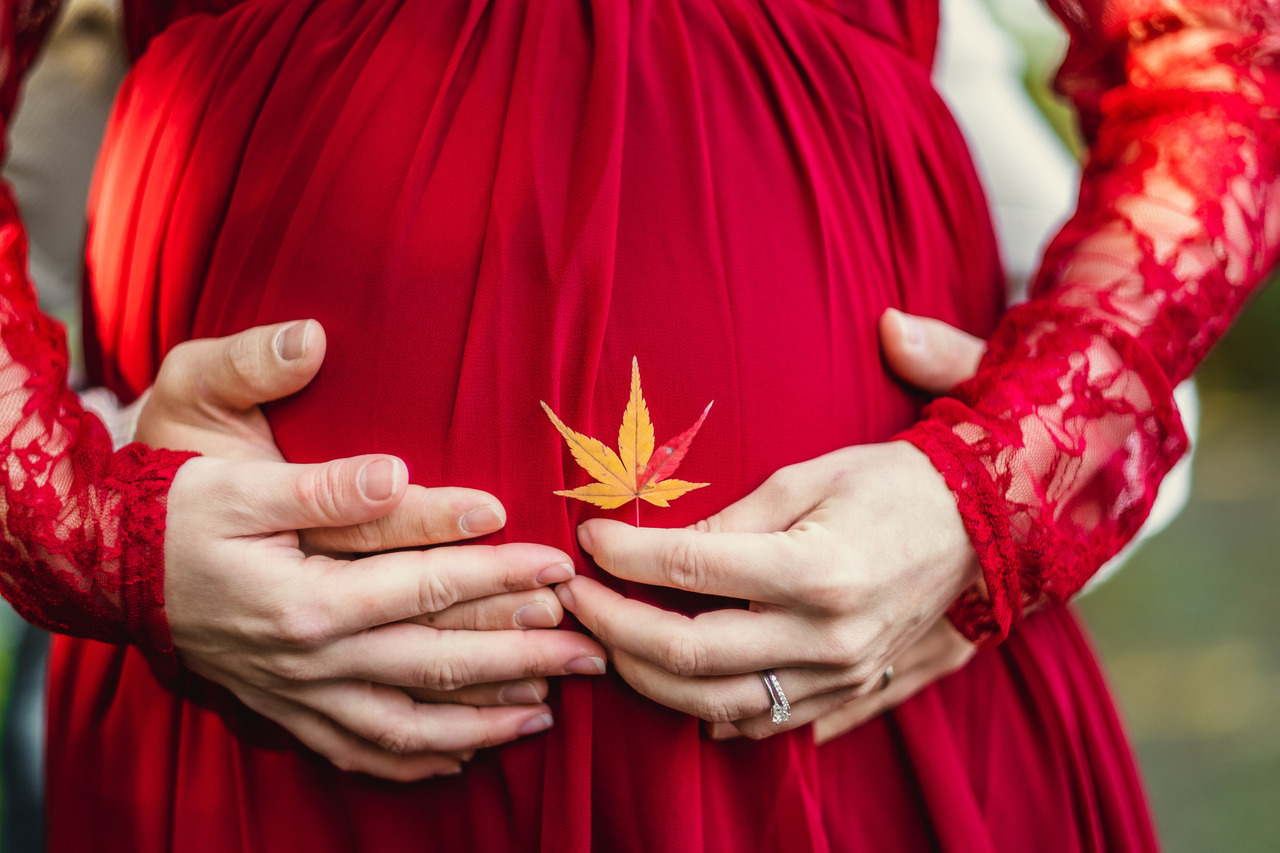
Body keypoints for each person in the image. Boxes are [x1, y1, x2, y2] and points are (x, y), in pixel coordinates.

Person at [1, 1, 1275, 851]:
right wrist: (79, 518)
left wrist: (1000, 489)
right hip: (265, 722)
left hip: (847, 724)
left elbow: (1217, 63)